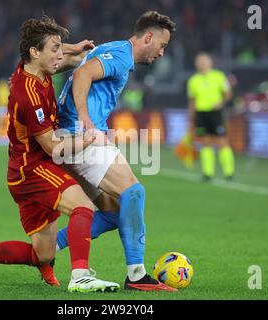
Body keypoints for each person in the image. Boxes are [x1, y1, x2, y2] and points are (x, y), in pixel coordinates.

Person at [0, 16, 120, 293]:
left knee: (43, 255)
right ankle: (81, 276)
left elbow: (62, 60)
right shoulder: (27, 95)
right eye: (54, 48)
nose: (59, 54)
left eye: (59, 47)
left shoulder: (34, 69)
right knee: (83, 207)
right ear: (34, 52)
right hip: (32, 170)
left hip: (22, 171)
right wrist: (89, 139)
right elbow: (53, 147)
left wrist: (74, 48)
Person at [55, 11, 177, 292]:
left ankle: (47, 250)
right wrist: (85, 119)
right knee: (133, 192)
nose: (162, 52)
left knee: (112, 211)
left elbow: (73, 63)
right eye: (162, 45)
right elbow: (83, 73)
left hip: (68, 137)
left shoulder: (111, 49)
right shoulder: (121, 56)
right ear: (148, 37)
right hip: (80, 135)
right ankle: (137, 275)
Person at [187, 53, 234, 181]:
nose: (201, 63)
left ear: (210, 63)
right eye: (199, 61)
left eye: (204, 61)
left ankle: (229, 172)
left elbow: (228, 93)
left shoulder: (219, 76)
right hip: (201, 113)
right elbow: (192, 100)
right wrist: (191, 116)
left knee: (222, 141)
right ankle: (208, 173)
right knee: (205, 142)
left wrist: (221, 103)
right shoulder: (193, 80)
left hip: (216, 113)